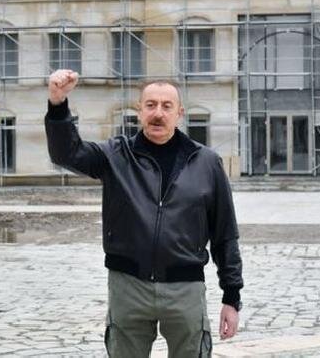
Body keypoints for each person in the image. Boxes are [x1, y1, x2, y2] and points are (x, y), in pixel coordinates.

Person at [45, 69, 243, 357]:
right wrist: (57, 104)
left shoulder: (207, 163)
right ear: (139, 111)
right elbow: (67, 154)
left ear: (180, 113)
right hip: (129, 287)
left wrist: (231, 297)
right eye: (150, 105)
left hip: (185, 288)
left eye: (166, 106)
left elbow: (225, 234)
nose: (158, 113)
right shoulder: (116, 155)